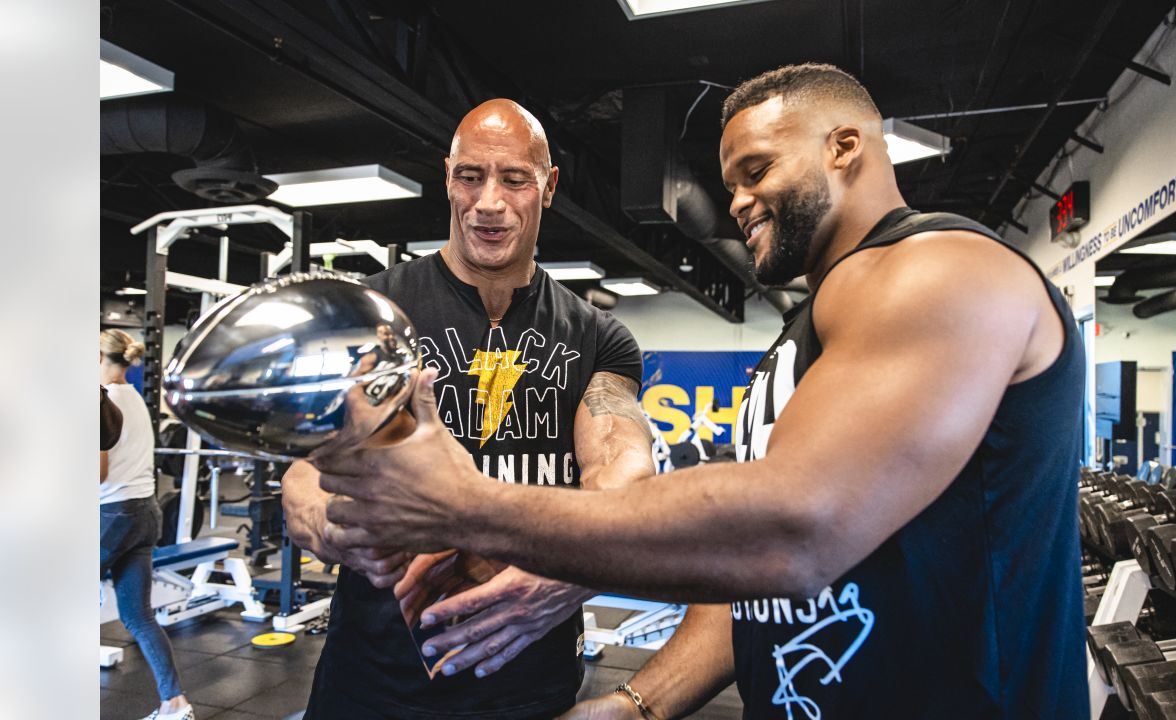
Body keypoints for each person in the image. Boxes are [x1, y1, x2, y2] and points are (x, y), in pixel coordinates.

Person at [314, 63, 1090, 719]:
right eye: (730, 184)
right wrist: (637, 704)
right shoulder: (810, 333)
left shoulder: (939, 269)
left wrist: (464, 506)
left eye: (757, 171)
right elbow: (747, 580)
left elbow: (792, 534)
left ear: (846, 147)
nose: (740, 202)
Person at [282, 98, 656, 719]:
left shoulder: (597, 337)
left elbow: (622, 470)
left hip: (527, 681)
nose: (489, 202)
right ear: (447, 177)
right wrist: (329, 525)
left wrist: (577, 558)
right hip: (372, 683)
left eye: (514, 179)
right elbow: (304, 475)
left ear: (549, 186)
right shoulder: (373, 314)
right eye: (470, 176)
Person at [99, 329, 194, 720]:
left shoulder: (102, 403)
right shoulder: (134, 397)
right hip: (143, 512)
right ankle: (175, 704)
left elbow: (99, 473)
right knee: (138, 616)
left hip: (113, 513)